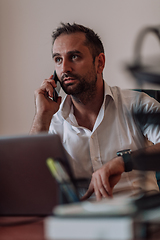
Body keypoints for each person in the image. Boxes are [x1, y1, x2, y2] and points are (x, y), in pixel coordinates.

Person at [30, 23, 160, 201]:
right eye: (58, 59)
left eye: (74, 57)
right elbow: (31, 180)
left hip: (139, 215)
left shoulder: (138, 104)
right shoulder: (52, 121)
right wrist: (42, 116)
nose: (64, 68)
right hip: (82, 219)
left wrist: (123, 162)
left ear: (99, 63)